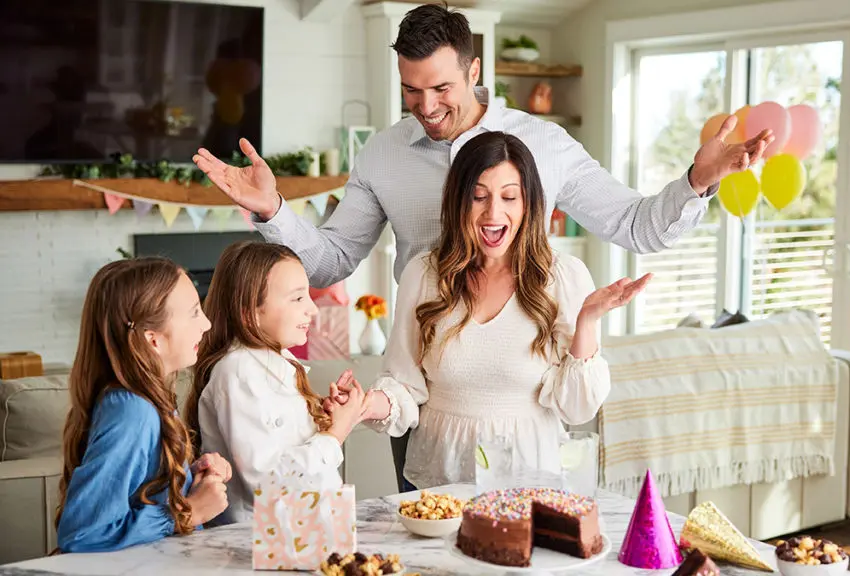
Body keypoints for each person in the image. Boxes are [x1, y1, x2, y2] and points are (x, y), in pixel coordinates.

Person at [192, 3, 771, 488]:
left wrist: (698, 181)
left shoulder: (544, 143)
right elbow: (332, 259)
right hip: (423, 403)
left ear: (474, 71)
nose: (427, 107)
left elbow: (638, 226)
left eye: (441, 87)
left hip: (522, 401)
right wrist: (273, 211)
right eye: (411, 91)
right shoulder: (383, 156)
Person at [346, 131, 648, 489]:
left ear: (527, 205)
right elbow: (403, 386)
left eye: (509, 197)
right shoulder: (424, 275)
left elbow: (578, 408)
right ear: (459, 202)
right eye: (478, 197)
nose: (493, 213)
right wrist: (365, 405)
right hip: (438, 486)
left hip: (530, 484)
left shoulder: (562, 277)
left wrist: (587, 321)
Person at [56, 258, 231, 553]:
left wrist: (188, 480)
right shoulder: (132, 410)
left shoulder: (149, 400)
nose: (207, 323)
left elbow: (138, 495)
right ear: (153, 341)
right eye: (194, 313)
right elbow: (83, 533)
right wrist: (188, 512)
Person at [184, 242, 367, 525]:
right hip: (260, 550)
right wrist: (334, 436)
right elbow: (267, 486)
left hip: (304, 536)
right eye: (297, 299)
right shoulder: (239, 371)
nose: (312, 309)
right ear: (249, 312)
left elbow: (285, 449)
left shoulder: (276, 361)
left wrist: (325, 422)